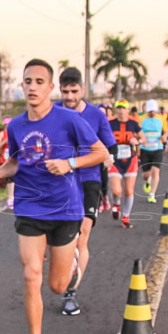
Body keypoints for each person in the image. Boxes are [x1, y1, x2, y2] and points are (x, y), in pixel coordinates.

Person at [0, 60, 108, 334]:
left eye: (40, 81)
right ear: (22, 86)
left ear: (50, 88)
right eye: (28, 81)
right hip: (29, 206)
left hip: (65, 209)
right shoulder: (16, 126)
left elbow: (101, 152)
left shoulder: (69, 119)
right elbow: (16, 161)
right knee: (30, 275)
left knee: (57, 286)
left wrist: (70, 164)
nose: (33, 86)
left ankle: (73, 267)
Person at [54, 67, 116, 316]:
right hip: (59, 182)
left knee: (82, 236)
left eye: (74, 91)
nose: (69, 96)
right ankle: (62, 273)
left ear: (82, 89)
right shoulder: (52, 113)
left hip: (89, 180)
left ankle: (71, 293)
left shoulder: (96, 115)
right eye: (65, 91)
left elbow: (108, 147)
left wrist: (108, 161)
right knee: (61, 239)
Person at [107, 100, 142, 229]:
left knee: (128, 190)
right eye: (119, 108)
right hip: (115, 159)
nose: (121, 111)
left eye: (123, 108)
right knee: (116, 190)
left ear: (128, 110)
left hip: (130, 159)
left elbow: (143, 139)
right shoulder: (110, 124)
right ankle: (116, 203)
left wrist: (136, 141)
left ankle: (126, 216)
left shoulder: (133, 124)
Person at [138, 99, 166, 204]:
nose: (152, 113)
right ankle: (147, 181)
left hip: (157, 148)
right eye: (150, 111)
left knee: (155, 171)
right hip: (145, 149)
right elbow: (137, 132)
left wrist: (164, 137)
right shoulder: (142, 120)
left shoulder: (161, 119)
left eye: (154, 111)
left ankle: (152, 194)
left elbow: (166, 131)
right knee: (146, 174)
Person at [0, 116, 15, 209]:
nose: (7, 126)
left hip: (16, 159)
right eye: (5, 125)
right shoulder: (2, 134)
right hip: (6, 160)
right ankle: (10, 199)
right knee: (10, 179)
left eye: (8, 125)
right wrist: (4, 142)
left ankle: (17, 197)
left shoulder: (15, 133)